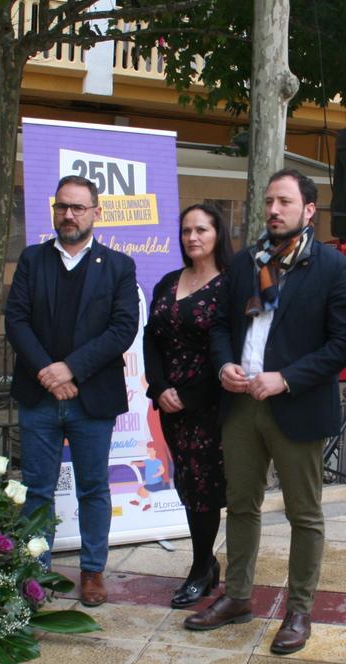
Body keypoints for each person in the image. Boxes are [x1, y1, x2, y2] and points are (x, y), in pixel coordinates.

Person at [184, 169, 346, 656]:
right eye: (268, 202)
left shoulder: (330, 268)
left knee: (305, 515)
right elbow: (221, 324)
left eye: (283, 201)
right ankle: (238, 597)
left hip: (296, 406)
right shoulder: (247, 262)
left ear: (309, 210)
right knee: (241, 507)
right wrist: (223, 364)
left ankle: (299, 610)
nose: (273, 210)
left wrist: (287, 378)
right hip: (241, 405)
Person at [5, 174, 139, 608]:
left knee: (93, 488)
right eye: (63, 206)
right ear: (54, 210)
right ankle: (35, 571)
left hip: (92, 399)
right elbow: (16, 321)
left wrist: (69, 370)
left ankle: (93, 571)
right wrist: (47, 370)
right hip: (39, 396)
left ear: (96, 213)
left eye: (78, 207)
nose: (69, 215)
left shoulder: (119, 267)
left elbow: (123, 329)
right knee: (38, 489)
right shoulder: (32, 260)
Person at [142, 203, 233, 608]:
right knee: (186, 484)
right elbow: (151, 338)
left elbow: (227, 349)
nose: (192, 237)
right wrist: (160, 387)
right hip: (170, 405)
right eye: (185, 231)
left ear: (217, 236)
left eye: (201, 230)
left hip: (209, 405)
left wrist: (189, 394)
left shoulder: (229, 286)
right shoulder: (166, 282)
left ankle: (201, 568)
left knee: (205, 488)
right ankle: (205, 563)